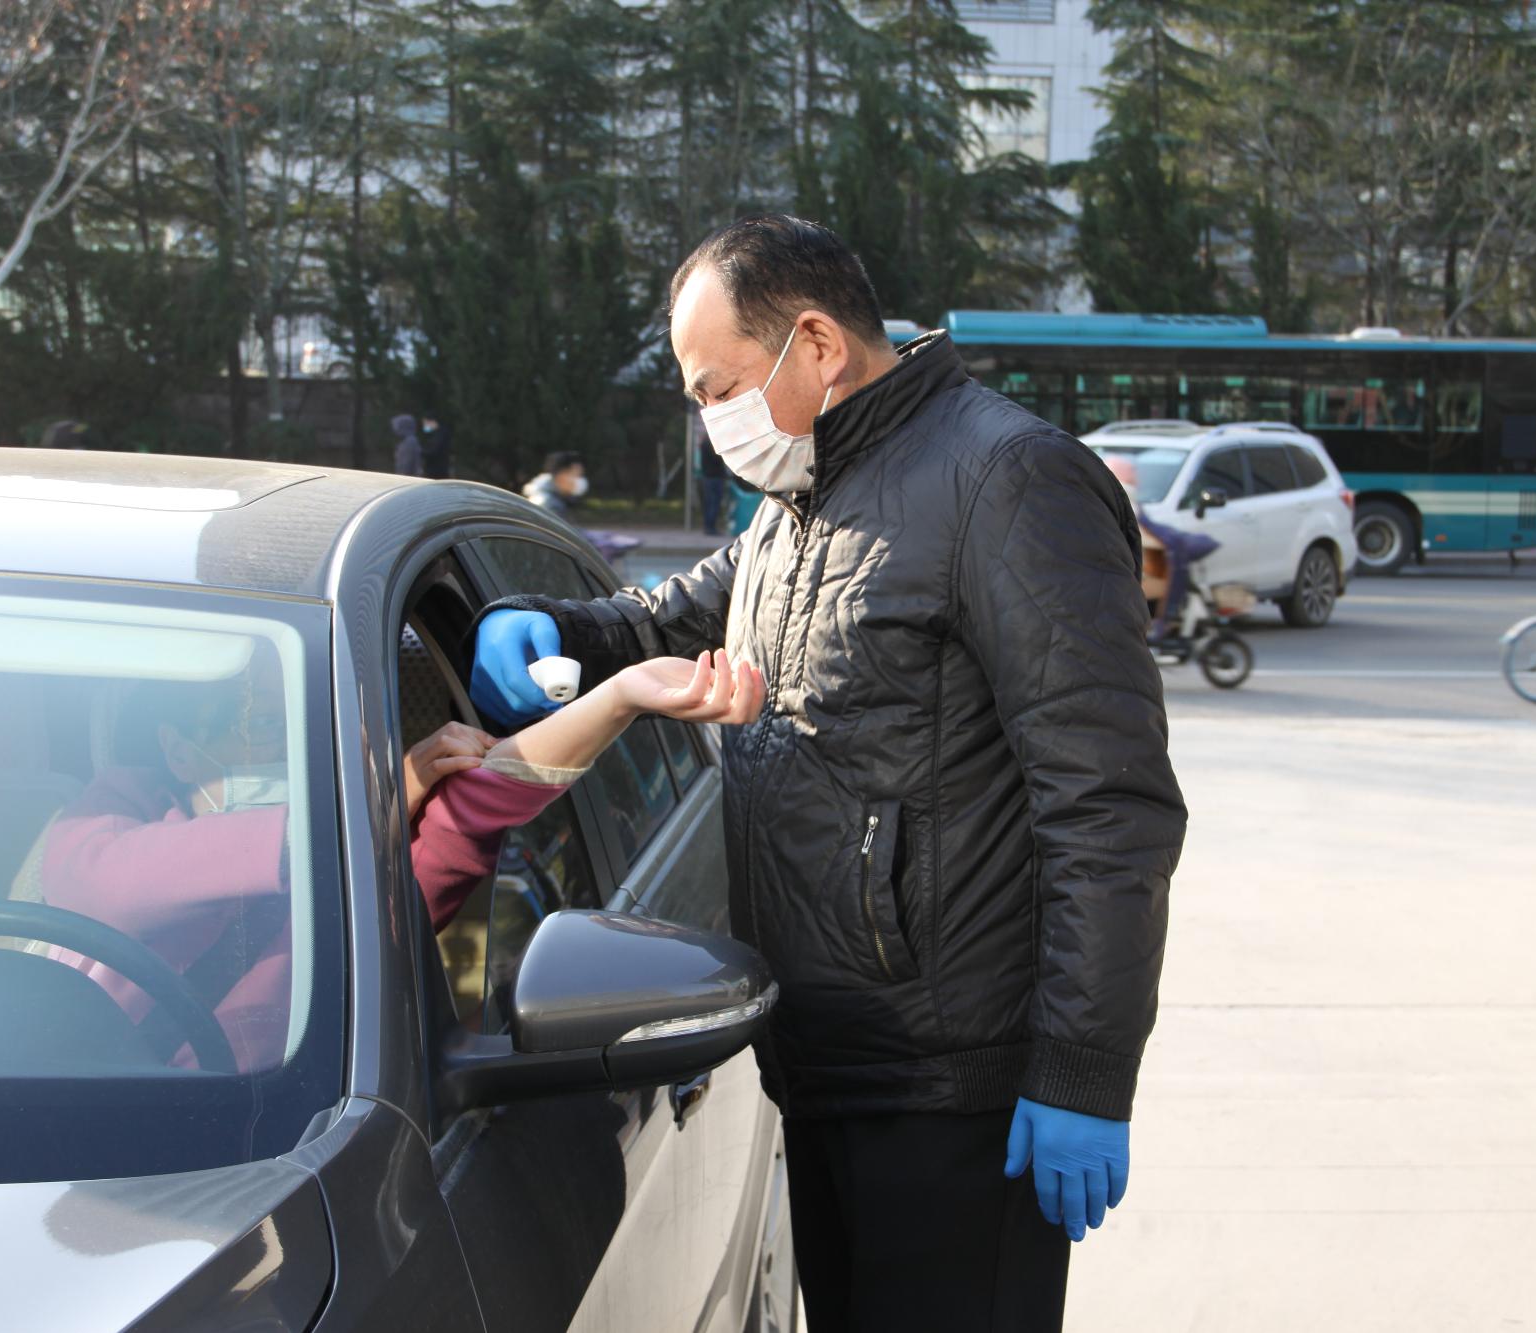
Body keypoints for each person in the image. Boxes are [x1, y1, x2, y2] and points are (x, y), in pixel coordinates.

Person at [468, 215, 1185, 1332]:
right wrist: (547, 624)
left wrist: (1082, 1070)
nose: (711, 419)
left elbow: (1108, 803)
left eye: (719, 389)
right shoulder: (803, 498)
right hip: (829, 1067)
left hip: (953, 1097)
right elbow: (674, 613)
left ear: (816, 344)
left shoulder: (1006, 480)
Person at [42, 642, 762, 1072]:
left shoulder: (371, 859)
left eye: (303, 727)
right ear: (175, 748)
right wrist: (370, 798)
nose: (289, 749)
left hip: (269, 1147)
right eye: (261, 727)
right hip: (78, 1109)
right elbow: (104, 884)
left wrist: (619, 697)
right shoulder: (120, 808)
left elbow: (485, 794)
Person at [1104, 455, 1220, 644]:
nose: (1137, 477)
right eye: (1132, 473)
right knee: (1181, 554)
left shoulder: (1112, 496)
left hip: (1142, 562)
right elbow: (1146, 531)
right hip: (1149, 564)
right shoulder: (1124, 496)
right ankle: (1167, 619)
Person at [521, 451, 589, 521]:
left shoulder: (556, 499)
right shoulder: (547, 504)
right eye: (577, 475)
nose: (580, 480)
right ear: (561, 475)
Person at [694, 411, 729, 537]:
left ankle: (708, 526)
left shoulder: (704, 443)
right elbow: (718, 459)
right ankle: (711, 527)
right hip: (715, 476)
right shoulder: (712, 444)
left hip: (707, 476)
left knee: (709, 502)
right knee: (714, 502)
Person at [419, 414, 453, 479]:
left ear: (432, 421)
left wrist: (420, 451)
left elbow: (433, 451)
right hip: (435, 469)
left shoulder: (440, 435)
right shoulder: (435, 434)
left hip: (437, 470)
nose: (424, 426)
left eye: (425, 423)